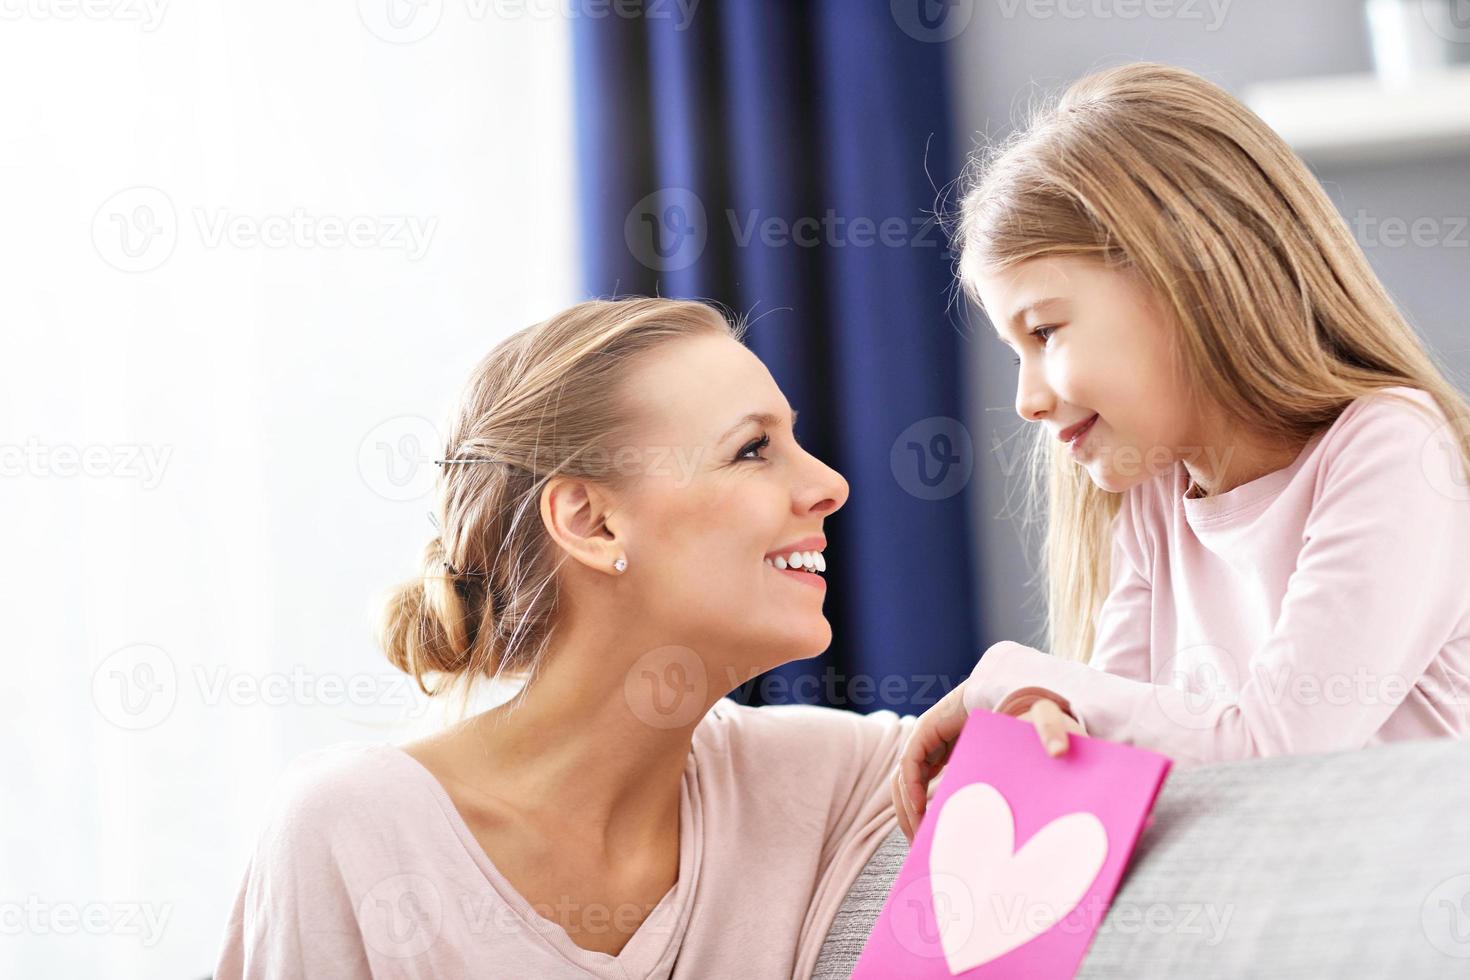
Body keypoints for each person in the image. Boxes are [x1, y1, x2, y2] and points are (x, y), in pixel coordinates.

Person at [214, 297, 932, 979]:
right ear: (591, 522)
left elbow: (1026, 725)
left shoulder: (831, 778)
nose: (831, 484)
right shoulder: (355, 830)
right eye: (752, 450)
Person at [894, 61, 1470, 841]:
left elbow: (1277, 751)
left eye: (1045, 331)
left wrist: (1008, 678)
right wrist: (1045, 713)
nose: (1026, 399)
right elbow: (1118, 745)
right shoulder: (1155, 504)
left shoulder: (1391, 448)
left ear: (1188, 277)